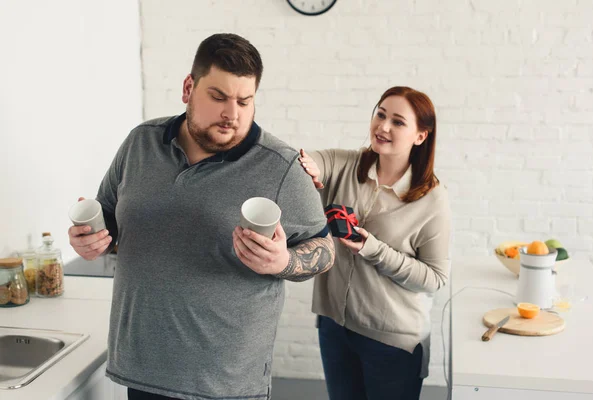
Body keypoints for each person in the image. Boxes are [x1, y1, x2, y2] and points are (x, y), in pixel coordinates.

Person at [68, 33, 335, 400]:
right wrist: (90, 238)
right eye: (219, 97)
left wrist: (284, 261)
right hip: (141, 368)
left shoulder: (279, 166)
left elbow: (325, 249)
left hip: (224, 382)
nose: (233, 113)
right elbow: (110, 217)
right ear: (188, 87)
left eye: (245, 100)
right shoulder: (139, 143)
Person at [298, 86, 451, 400]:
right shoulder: (345, 165)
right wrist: (305, 168)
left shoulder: (432, 200)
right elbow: (309, 161)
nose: (383, 127)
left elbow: (435, 278)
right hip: (335, 328)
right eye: (380, 114)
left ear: (420, 136)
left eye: (398, 122)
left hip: (393, 343)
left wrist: (373, 248)